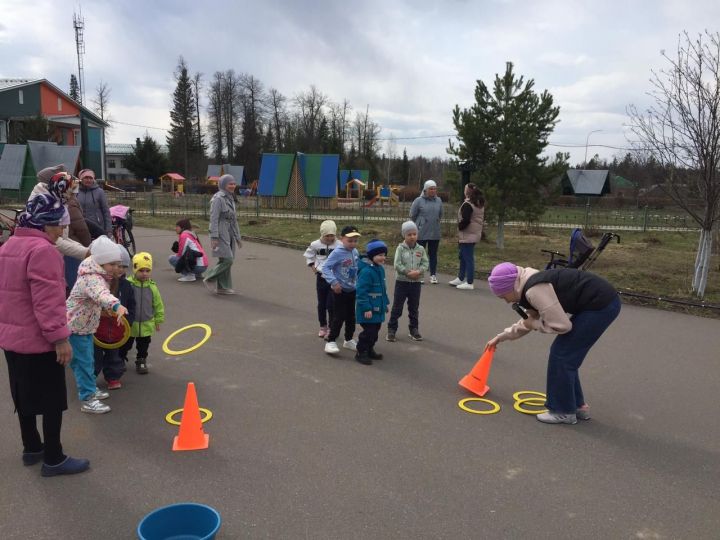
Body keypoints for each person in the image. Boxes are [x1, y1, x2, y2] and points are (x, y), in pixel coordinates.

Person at [0, 192, 90, 477]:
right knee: (52, 400)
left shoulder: (10, 244)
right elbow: (48, 301)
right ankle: (54, 457)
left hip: (11, 338)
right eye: (59, 225)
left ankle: (32, 448)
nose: (62, 231)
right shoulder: (44, 252)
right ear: (45, 224)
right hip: (39, 341)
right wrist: (60, 339)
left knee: (23, 395)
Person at [485, 263, 622, 425]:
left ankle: (563, 411)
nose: (506, 301)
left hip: (601, 306)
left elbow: (561, 326)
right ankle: (577, 406)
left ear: (511, 287)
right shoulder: (526, 282)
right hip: (599, 302)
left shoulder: (534, 290)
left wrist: (533, 325)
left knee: (562, 355)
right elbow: (528, 321)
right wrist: (501, 337)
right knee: (566, 356)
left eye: (503, 296)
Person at [66, 236, 128, 415]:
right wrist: (116, 305)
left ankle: (89, 389)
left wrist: (108, 309)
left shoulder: (99, 273)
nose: (116, 268)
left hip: (84, 325)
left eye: (118, 264)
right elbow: (100, 294)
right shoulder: (92, 278)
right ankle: (87, 398)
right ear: (101, 262)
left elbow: (95, 299)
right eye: (112, 264)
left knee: (86, 361)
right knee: (84, 362)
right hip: (76, 327)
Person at [28, 167, 91, 292]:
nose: (74, 196)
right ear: (61, 187)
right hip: (44, 263)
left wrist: (87, 250)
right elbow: (54, 241)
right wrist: (86, 252)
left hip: (52, 259)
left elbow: (62, 238)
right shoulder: (47, 206)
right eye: (72, 192)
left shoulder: (56, 200)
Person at [93, 246, 136, 390]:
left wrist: (128, 323)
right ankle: (90, 379)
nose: (120, 269)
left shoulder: (127, 286)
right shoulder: (99, 283)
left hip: (117, 330)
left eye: (123, 266)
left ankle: (113, 377)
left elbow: (131, 305)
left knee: (114, 357)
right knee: (94, 357)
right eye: (116, 265)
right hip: (97, 329)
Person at [120, 252, 165, 375]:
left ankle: (141, 360)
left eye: (147, 270)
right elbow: (122, 301)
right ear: (135, 269)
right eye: (141, 270)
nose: (144, 273)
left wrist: (158, 320)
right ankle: (120, 359)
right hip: (130, 323)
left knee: (144, 345)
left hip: (146, 323)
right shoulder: (128, 284)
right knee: (125, 343)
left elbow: (158, 304)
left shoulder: (152, 287)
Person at [321, 225, 361, 355]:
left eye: (355, 240)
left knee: (351, 316)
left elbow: (356, 269)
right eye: (350, 240)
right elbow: (326, 268)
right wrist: (334, 282)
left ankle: (348, 339)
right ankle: (331, 341)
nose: (353, 243)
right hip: (339, 291)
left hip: (352, 290)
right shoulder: (337, 252)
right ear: (341, 239)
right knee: (339, 316)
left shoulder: (355, 252)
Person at [387, 221, 429, 342]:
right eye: (409, 234)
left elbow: (425, 263)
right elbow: (397, 264)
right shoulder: (400, 248)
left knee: (414, 307)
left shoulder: (420, 249)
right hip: (402, 282)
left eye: (414, 234)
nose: (412, 237)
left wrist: (419, 271)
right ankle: (392, 329)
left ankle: (414, 329)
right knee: (397, 307)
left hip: (416, 283)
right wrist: (406, 272)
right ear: (404, 235)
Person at [303, 220, 342, 338]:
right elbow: (309, 255)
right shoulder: (315, 244)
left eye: (332, 235)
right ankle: (323, 326)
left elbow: (343, 257)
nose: (330, 238)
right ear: (322, 234)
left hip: (334, 277)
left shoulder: (339, 244)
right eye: (327, 236)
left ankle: (331, 327)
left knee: (331, 304)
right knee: (321, 304)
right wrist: (312, 266)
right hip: (321, 277)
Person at [204, 174, 242, 294]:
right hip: (220, 232)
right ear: (223, 184)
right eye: (230, 183)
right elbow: (214, 219)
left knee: (225, 260)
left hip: (229, 231)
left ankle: (222, 287)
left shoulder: (230, 197)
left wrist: (237, 237)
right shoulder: (218, 198)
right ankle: (210, 277)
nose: (232, 186)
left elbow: (234, 219)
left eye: (234, 183)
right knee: (228, 260)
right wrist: (214, 237)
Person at [355, 240, 390, 365]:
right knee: (369, 332)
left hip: (378, 308)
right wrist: (366, 308)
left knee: (375, 332)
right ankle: (361, 351)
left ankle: (369, 349)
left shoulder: (380, 269)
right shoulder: (366, 272)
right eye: (379, 255)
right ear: (371, 256)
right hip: (368, 309)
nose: (382, 258)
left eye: (384, 255)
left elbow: (382, 288)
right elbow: (361, 292)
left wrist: (384, 303)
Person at [449, 183, 485, 290]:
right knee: (463, 257)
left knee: (468, 258)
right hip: (473, 234)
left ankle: (469, 282)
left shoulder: (468, 204)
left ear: (467, 192)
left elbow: (466, 220)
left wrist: (459, 227)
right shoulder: (479, 203)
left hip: (467, 235)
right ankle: (460, 278)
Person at [410, 179, 443, 284]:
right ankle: (419, 275)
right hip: (421, 233)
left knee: (433, 254)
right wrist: (419, 224)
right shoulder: (418, 200)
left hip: (435, 233)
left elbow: (440, 214)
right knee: (419, 254)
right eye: (431, 189)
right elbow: (412, 215)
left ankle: (433, 275)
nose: (433, 191)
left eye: (435, 189)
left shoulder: (439, 201)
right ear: (425, 190)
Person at [169, 218, 208, 282]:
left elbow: (181, 254)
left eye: (177, 227)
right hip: (204, 266)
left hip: (198, 267)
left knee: (171, 258)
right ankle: (197, 274)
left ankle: (189, 276)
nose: (175, 228)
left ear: (183, 228)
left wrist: (176, 256)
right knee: (187, 255)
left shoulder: (184, 235)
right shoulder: (191, 234)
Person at [76, 169, 112, 237]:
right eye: (86, 178)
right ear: (81, 179)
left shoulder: (99, 192)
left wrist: (108, 229)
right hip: (80, 227)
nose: (88, 180)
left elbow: (106, 211)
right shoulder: (75, 192)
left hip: (98, 227)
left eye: (91, 178)